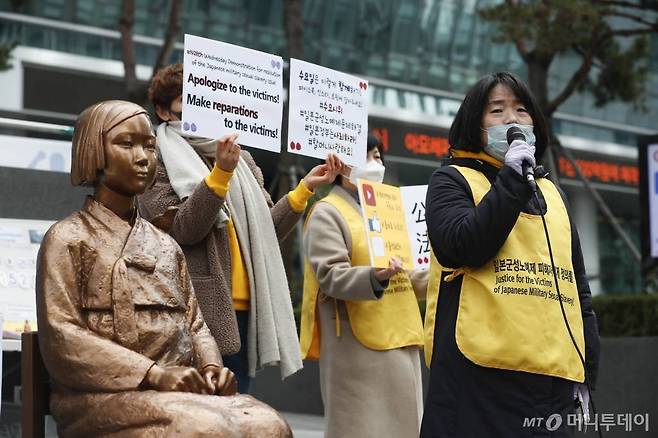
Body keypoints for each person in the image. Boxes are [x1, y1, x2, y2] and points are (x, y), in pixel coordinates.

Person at [36, 100, 291, 437]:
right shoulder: (68, 238)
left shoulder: (165, 245)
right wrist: (152, 373)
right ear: (92, 151)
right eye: (126, 144)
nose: (143, 157)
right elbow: (62, 335)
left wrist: (212, 366)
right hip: (101, 396)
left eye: (150, 146)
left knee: (269, 426)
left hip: (176, 391)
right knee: (206, 428)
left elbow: (195, 323)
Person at [139, 63, 342, 393]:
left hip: (247, 310)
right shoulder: (157, 157)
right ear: (163, 110)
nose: (198, 112)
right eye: (185, 103)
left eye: (205, 102)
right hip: (193, 309)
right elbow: (184, 229)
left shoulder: (242, 160)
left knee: (236, 408)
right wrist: (219, 174)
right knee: (195, 410)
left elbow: (266, 232)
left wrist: (305, 188)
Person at [420, 72, 601, 437]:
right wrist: (512, 182)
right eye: (497, 110)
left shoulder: (552, 193)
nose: (512, 120)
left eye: (522, 110)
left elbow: (576, 290)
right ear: (476, 123)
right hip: (480, 380)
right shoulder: (452, 180)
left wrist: (587, 369)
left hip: (553, 383)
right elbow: (462, 247)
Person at [300, 134, 427, 438]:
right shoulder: (328, 211)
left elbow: (411, 275)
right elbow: (330, 275)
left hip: (401, 336)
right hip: (355, 346)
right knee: (359, 428)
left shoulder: (389, 211)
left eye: (379, 156)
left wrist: (449, 273)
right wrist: (376, 276)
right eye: (367, 155)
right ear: (341, 164)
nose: (376, 163)